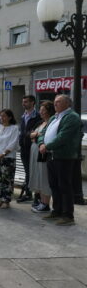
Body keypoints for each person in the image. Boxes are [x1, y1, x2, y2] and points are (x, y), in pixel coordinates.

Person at [38, 95, 83, 226]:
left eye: (58, 102)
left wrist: (47, 146)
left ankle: (68, 215)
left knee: (65, 186)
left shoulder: (72, 117)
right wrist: (41, 143)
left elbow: (63, 137)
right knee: (54, 185)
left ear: (67, 104)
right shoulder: (54, 117)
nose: (55, 104)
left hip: (64, 156)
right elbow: (43, 132)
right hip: (51, 155)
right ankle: (56, 211)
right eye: (55, 102)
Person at [0, 109, 19, 209]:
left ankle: (6, 200)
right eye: (0, 116)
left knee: (7, 179)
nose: (1, 118)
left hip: (8, 158)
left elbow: (13, 144)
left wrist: (2, 154)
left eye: (4, 116)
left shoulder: (14, 128)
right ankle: (0, 199)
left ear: (10, 117)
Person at [29, 101, 55, 213]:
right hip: (35, 152)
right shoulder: (41, 123)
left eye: (43, 110)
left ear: (49, 111)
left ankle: (45, 204)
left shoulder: (51, 122)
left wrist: (35, 135)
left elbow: (42, 136)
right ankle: (41, 201)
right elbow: (31, 135)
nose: (41, 112)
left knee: (44, 177)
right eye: (40, 110)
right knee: (38, 175)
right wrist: (35, 135)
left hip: (43, 153)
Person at [18, 95, 42, 205]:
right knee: (28, 172)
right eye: (23, 102)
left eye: (26, 102)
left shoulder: (38, 116)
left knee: (34, 172)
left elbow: (36, 132)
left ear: (33, 103)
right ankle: (29, 194)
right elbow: (23, 132)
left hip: (33, 148)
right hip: (24, 149)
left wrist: (28, 135)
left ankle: (34, 195)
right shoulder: (23, 116)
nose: (24, 104)